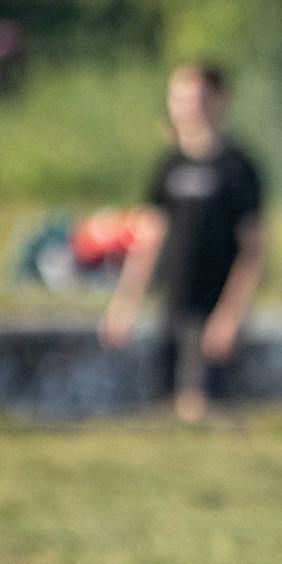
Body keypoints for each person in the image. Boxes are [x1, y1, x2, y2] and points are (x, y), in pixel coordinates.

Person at [101, 64, 267, 423]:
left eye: (198, 98)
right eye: (181, 98)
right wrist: (125, 303)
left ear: (220, 100)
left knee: (200, 408)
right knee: (164, 406)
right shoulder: (168, 164)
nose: (189, 107)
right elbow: (148, 238)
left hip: (213, 304)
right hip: (173, 300)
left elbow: (253, 251)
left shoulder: (239, 167)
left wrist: (231, 315)